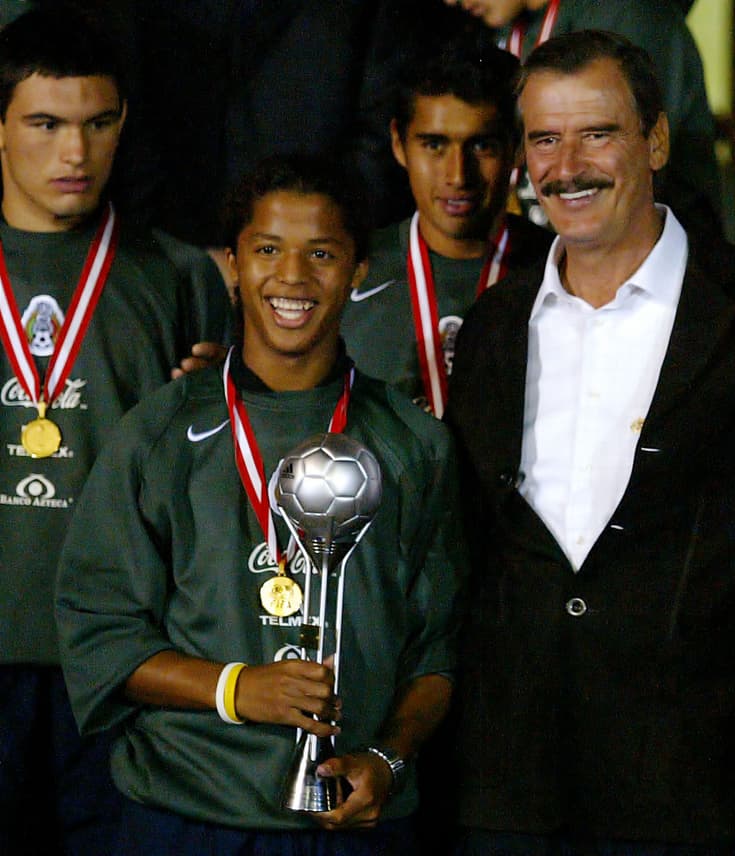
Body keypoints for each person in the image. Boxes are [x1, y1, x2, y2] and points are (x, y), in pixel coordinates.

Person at [446, 29, 735, 853]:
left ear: (656, 140)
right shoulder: (492, 328)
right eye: (544, 139)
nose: (566, 165)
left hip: (699, 791)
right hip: (513, 792)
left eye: (597, 133)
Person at [55, 154, 465, 853]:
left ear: (360, 270)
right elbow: (101, 636)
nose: (294, 277)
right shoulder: (158, 435)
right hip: (184, 814)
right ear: (233, 264)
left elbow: (439, 654)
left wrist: (387, 762)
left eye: (323, 253)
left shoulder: (415, 444)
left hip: (356, 821)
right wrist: (236, 688)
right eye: (268, 249)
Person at [0, 9, 223, 854]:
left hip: (121, 661)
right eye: (46, 124)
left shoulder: (176, 274)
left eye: (97, 124)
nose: (76, 154)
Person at [342, 37, 551, 417]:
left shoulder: (565, 271)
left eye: (481, 146)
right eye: (434, 145)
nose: (458, 175)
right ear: (399, 144)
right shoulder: (346, 271)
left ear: (516, 148)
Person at [444, 0, 723, 241]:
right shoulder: (505, 27)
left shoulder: (628, 14)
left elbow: (633, 177)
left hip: (653, 274)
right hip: (562, 266)